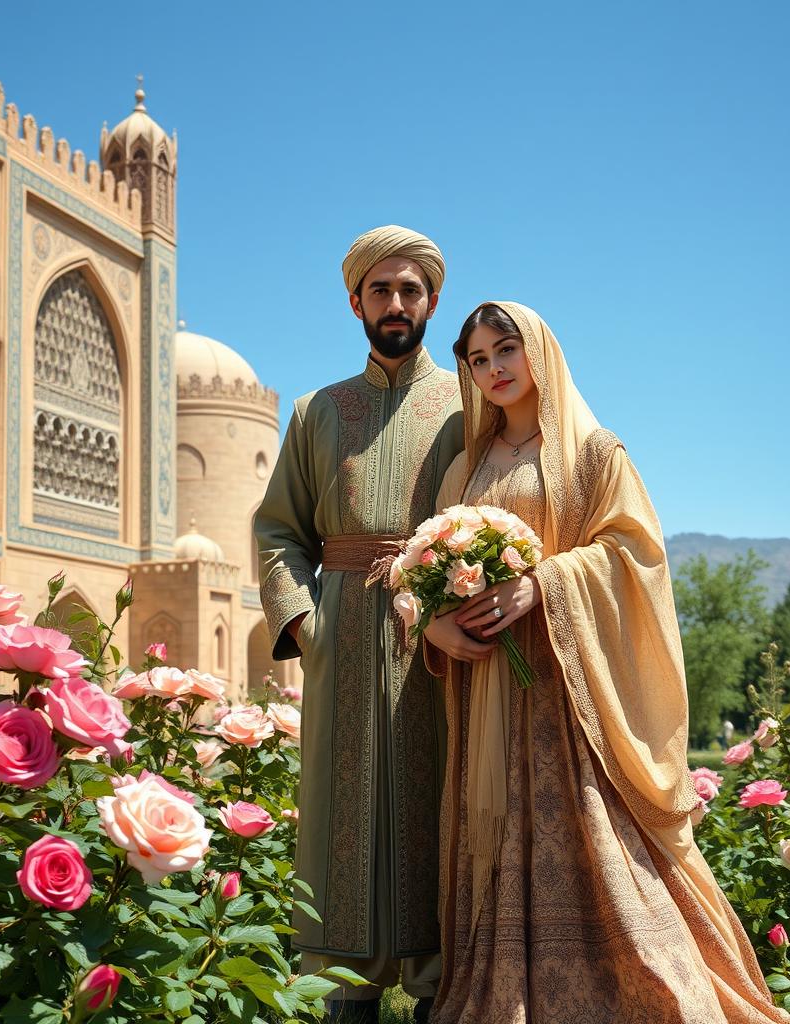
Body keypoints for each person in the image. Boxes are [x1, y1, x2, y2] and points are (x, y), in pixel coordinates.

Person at [422, 301, 790, 1023]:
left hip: (573, 695)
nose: (495, 369)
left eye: (507, 350)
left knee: (604, 845)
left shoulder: (594, 453)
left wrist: (544, 585)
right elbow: (428, 563)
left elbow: (636, 557)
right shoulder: (466, 467)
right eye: (478, 359)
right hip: (491, 691)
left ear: (540, 352)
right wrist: (436, 625)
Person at [255, 226, 464, 1024]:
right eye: (381, 289)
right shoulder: (316, 411)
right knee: (342, 810)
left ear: (432, 302)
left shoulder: (466, 402)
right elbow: (279, 529)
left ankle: (441, 983)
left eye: (411, 290)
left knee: (439, 803)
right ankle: (348, 992)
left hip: (438, 643)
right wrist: (308, 625)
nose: (396, 303)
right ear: (355, 301)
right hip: (338, 638)